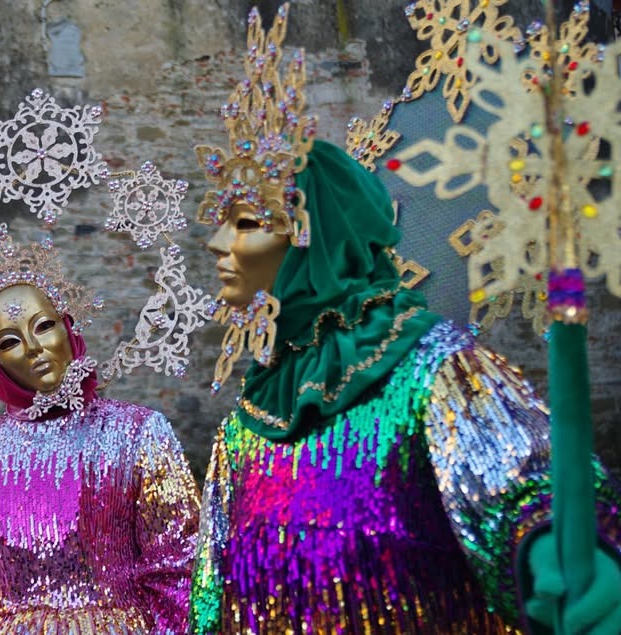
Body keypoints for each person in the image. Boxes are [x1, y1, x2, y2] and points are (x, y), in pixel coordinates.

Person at [187, 6, 621, 634]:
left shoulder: (434, 372)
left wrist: (556, 556)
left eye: (248, 222)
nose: (217, 244)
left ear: (317, 237)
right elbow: (211, 597)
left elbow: (525, 495)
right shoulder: (246, 427)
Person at [0, 201, 200, 635]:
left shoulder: (138, 435)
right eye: (10, 342)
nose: (33, 348)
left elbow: (181, 572)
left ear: (68, 327)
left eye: (43, 326)